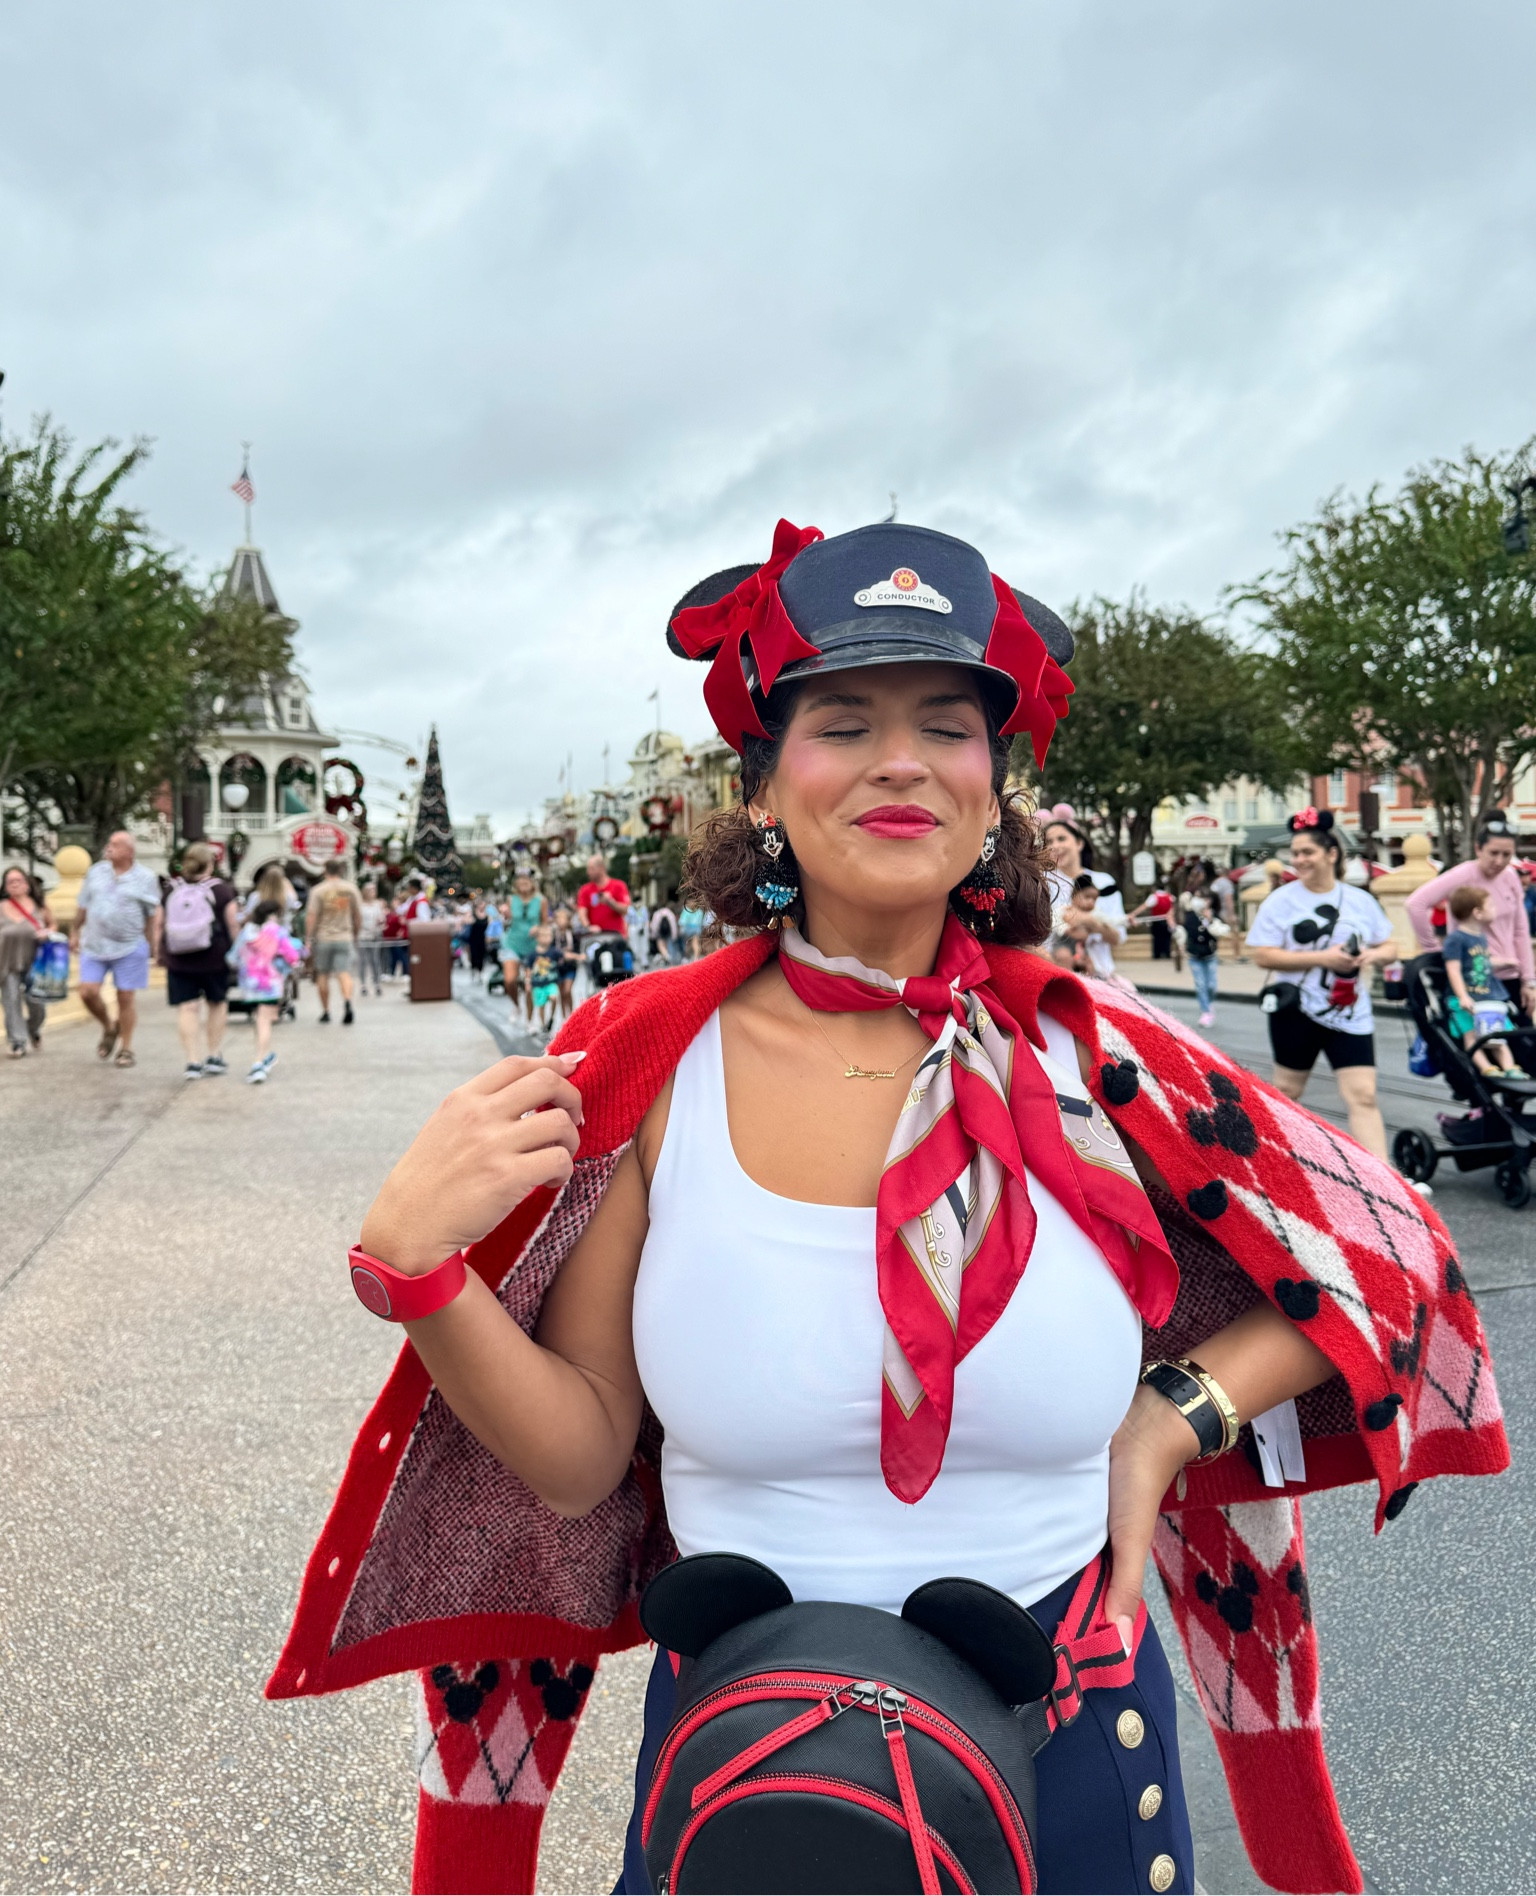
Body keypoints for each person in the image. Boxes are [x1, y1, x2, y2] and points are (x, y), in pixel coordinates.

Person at [275, 519, 1507, 1896]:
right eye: (842, 721)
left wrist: (1171, 1424)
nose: (902, 759)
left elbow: (1386, 1257)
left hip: (1074, 1749)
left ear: (996, 790)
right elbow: (576, 1460)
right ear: (763, 791)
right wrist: (422, 1276)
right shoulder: (642, 1070)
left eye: (946, 724)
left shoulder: (1103, 1057)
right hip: (750, 1776)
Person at [1246, 809, 1399, 1162]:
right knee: (1286, 1091)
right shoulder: (1281, 901)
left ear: (1331, 854)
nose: (1299, 860)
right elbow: (1263, 955)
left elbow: (1389, 946)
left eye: (1307, 852)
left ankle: (1388, 1182)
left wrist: (1370, 958)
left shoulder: (1360, 900)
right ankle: (1271, 1167)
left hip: (1350, 1012)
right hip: (1296, 1010)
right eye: (1295, 853)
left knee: (1363, 1095)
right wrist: (1323, 959)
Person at [1405, 816, 1536, 1026]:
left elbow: (1520, 930)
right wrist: (1435, 951)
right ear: (1478, 849)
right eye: (1493, 853)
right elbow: (1415, 904)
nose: (1499, 861)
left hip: (1511, 975)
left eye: (1506, 855)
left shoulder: (1511, 877)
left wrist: (1529, 980)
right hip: (1476, 981)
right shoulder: (1463, 874)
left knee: (1522, 1048)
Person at [73, 830, 162, 1068]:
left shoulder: (145, 877)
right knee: (87, 992)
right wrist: (74, 931)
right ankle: (109, 1026)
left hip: (130, 945)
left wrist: (153, 947)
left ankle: (126, 1048)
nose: (109, 847)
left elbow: (152, 915)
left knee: (125, 997)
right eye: (109, 843)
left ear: (129, 852)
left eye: (116, 844)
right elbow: (83, 905)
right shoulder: (95, 872)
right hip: (94, 944)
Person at [162, 841, 241, 1080]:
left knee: (187, 1007)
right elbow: (233, 923)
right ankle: (214, 1055)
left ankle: (193, 1061)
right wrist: (238, 952)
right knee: (216, 1003)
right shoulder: (221, 890)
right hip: (214, 957)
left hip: (178, 957)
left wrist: (159, 952)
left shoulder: (170, 889)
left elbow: (158, 925)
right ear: (211, 864)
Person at [1441, 883, 1524, 1078]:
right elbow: (1453, 969)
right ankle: (1486, 1067)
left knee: (1499, 1033)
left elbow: (1481, 962)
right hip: (1467, 998)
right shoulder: (1456, 939)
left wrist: (1504, 963)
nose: (1495, 910)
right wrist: (1462, 996)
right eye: (1491, 906)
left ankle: (1510, 1068)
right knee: (1471, 1035)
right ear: (1477, 912)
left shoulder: (1481, 937)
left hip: (1486, 997)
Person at [229, 899, 306, 1082]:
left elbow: (233, 957)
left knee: (259, 1019)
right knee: (265, 1020)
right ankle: (259, 1063)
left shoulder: (247, 931)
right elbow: (293, 956)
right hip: (270, 983)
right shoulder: (277, 932)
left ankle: (265, 1054)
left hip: (249, 983)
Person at [1041, 808, 1128, 948]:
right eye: (1049, 842)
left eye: (1061, 839)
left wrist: (1090, 921)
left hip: (1099, 968)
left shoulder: (1104, 882)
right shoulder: (1041, 882)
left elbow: (1119, 937)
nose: (1055, 846)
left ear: (1079, 843)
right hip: (1057, 965)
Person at [1, 865, 51, 1058]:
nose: (14, 884)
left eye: (18, 880)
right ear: (5, 887)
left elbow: (52, 923)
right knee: (11, 1001)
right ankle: (17, 1042)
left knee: (36, 1003)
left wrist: (47, 932)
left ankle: (33, 1028)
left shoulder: (39, 906)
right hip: (6, 962)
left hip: (34, 963)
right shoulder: (1, 907)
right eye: (10, 881)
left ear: (27, 884)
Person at [305, 858, 363, 1024]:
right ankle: (347, 1001)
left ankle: (326, 1011)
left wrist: (309, 938)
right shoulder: (350, 889)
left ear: (325, 870)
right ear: (340, 870)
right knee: (343, 972)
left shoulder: (318, 891)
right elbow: (357, 915)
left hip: (324, 937)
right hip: (344, 936)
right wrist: (355, 934)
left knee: (322, 974)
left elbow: (311, 916)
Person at [1177, 862, 1227, 1029]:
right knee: (1200, 984)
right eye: (1199, 898)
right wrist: (1180, 945)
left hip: (1210, 955)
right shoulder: (1190, 915)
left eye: (1205, 898)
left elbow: (1220, 931)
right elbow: (1182, 931)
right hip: (1194, 956)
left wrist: (1210, 919)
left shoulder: (1213, 917)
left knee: (1211, 985)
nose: (1202, 901)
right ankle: (1205, 1011)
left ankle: (1209, 1004)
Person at [502, 871, 548, 1021]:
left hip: (532, 946)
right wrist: (504, 914)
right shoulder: (511, 899)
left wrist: (538, 929)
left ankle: (530, 1020)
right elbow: (507, 921)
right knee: (509, 980)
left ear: (532, 883)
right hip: (513, 943)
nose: (523, 885)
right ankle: (516, 1005)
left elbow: (545, 924)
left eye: (526, 882)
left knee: (529, 987)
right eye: (520, 882)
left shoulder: (541, 900)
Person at [576, 851, 630, 939]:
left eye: (591, 869)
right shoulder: (585, 890)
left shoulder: (619, 885)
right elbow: (582, 912)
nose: (588, 872)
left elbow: (626, 910)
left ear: (601, 868)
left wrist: (611, 902)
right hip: (595, 936)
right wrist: (588, 927)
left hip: (616, 935)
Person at [526, 921, 561, 1037]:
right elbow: (528, 969)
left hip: (551, 982)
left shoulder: (554, 951)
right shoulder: (532, 954)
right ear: (538, 938)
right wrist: (528, 981)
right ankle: (543, 1024)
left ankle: (551, 1018)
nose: (547, 938)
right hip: (538, 984)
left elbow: (564, 956)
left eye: (549, 936)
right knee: (540, 1005)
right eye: (544, 936)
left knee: (554, 997)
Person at [1127, 883, 1176, 960]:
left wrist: (1133, 913)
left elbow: (1144, 906)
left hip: (1157, 921)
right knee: (1166, 938)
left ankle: (1157, 955)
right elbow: (1172, 909)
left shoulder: (1154, 897)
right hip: (1166, 920)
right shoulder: (1170, 897)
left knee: (1157, 938)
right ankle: (1167, 954)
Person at [357, 881, 387, 997]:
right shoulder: (360, 905)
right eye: (370, 890)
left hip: (375, 935)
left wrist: (380, 923)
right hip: (363, 936)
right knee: (363, 961)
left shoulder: (377, 904)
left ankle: (376, 984)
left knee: (375, 960)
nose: (373, 892)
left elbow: (381, 918)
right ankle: (363, 984)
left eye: (374, 890)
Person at [550, 903, 579, 1017]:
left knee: (567, 990)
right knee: (561, 993)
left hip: (570, 966)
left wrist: (572, 956)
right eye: (559, 919)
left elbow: (577, 951)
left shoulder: (572, 935)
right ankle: (564, 1016)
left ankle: (571, 1013)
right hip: (558, 968)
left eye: (563, 919)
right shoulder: (553, 935)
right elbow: (551, 951)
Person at [649, 901, 679, 966]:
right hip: (668, 933)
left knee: (660, 946)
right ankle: (665, 958)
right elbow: (673, 926)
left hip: (660, 933)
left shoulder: (657, 913)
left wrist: (653, 935)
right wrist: (674, 936)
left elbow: (654, 925)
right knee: (666, 946)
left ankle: (667, 956)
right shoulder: (670, 913)